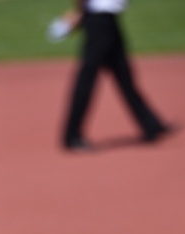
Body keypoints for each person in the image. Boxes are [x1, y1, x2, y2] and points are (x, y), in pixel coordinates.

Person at [59, 0, 176, 151]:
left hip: (109, 21)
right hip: (98, 21)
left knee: (124, 76)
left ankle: (151, 125)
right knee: (87, 79)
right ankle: (72, 136)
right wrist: (79, 11)